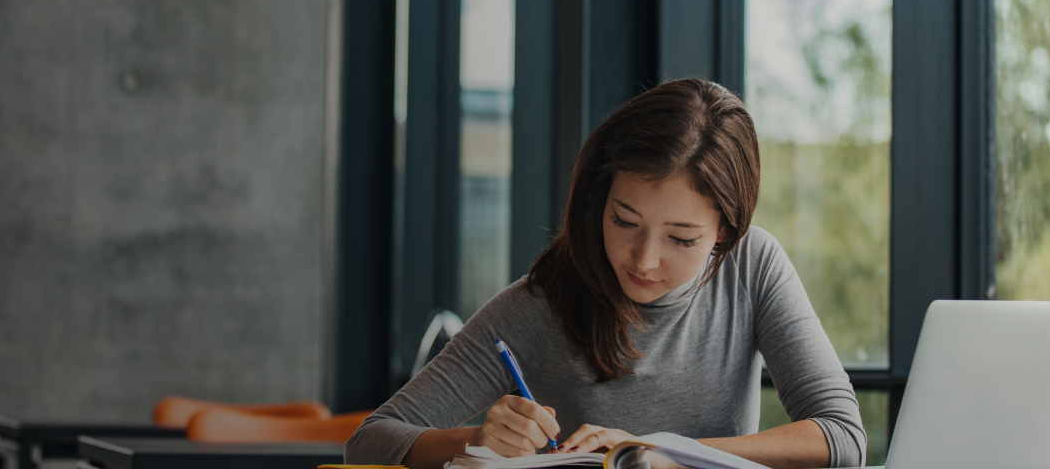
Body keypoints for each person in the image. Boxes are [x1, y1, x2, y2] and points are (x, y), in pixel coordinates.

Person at [344, 79, 866, 469]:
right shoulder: (540, 305)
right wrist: (475, 440)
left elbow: (842, 436)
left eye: (681, 239)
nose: (642, 259)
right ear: (599, 200)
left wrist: (665, 454)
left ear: (725, 233)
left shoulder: (752, 268)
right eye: (624, 220)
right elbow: (367, 443)